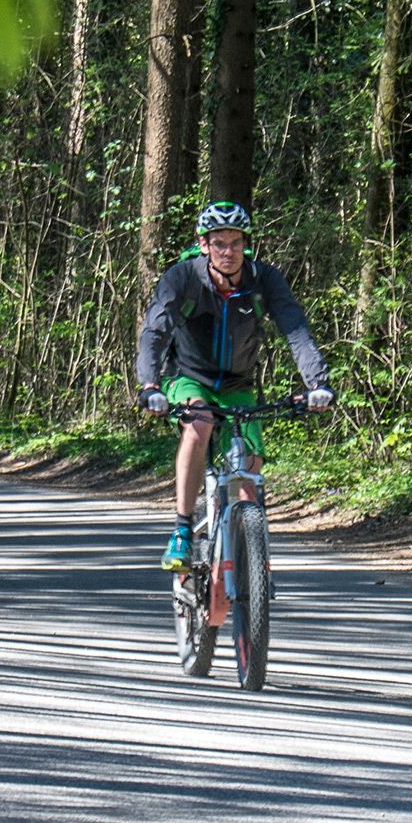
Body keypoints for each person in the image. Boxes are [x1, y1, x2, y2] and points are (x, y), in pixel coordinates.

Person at [134, 200, 333, 570]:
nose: (228, 252)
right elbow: (153, 333)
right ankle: (182, 529)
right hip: (188, 377)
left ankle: (251, 565)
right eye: (219, 243)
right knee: (200, 422)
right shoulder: (182, 278)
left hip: (239, 384)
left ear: (246, 244)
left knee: (249, 470)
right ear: (204, 244)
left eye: (236, 243)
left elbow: (296, 330)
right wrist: (149, 385)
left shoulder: (264, 281)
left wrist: (317, 383)